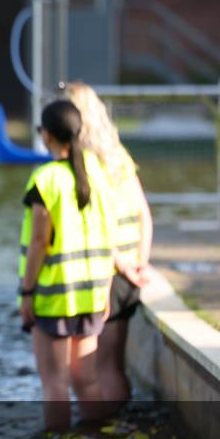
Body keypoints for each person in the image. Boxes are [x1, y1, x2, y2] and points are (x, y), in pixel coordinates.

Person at [18, 100, 116, 432]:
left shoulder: (45, 180)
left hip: (54, 296)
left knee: (55, 384)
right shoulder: (98, 173)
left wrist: (27, 292)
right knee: (86, 380)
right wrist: (106, 290)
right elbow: (110, 233)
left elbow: (38, 243)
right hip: (91, 293)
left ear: (46, 135)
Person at [64, 82, 153, 410]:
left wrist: (120, 264)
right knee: (115, 364)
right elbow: (144, 212)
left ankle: (104, 434)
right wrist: (140, 262)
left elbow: (95, 225)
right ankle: (121, 432)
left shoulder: (84, 163)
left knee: (99, 368)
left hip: (109, 273)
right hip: (130, 272)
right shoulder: (119, 156)